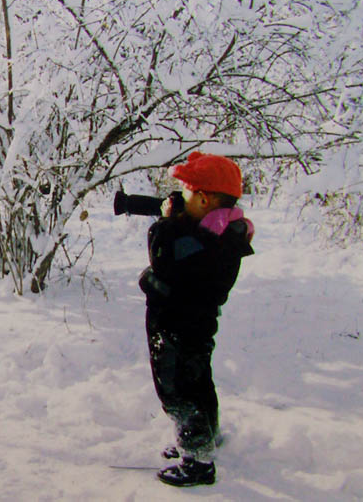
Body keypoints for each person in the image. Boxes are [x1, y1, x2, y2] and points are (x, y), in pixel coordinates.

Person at [138, 152, 254, 486]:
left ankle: (197, 461)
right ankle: (205, 438)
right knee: (199, 382)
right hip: (194, 324)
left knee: (177, 390)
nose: (178, 198)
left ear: (203, 199)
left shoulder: (208, 241)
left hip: (178, 326)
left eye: (186, 193)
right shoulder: (221, 230)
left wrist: (166, 222)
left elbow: (163, 254)